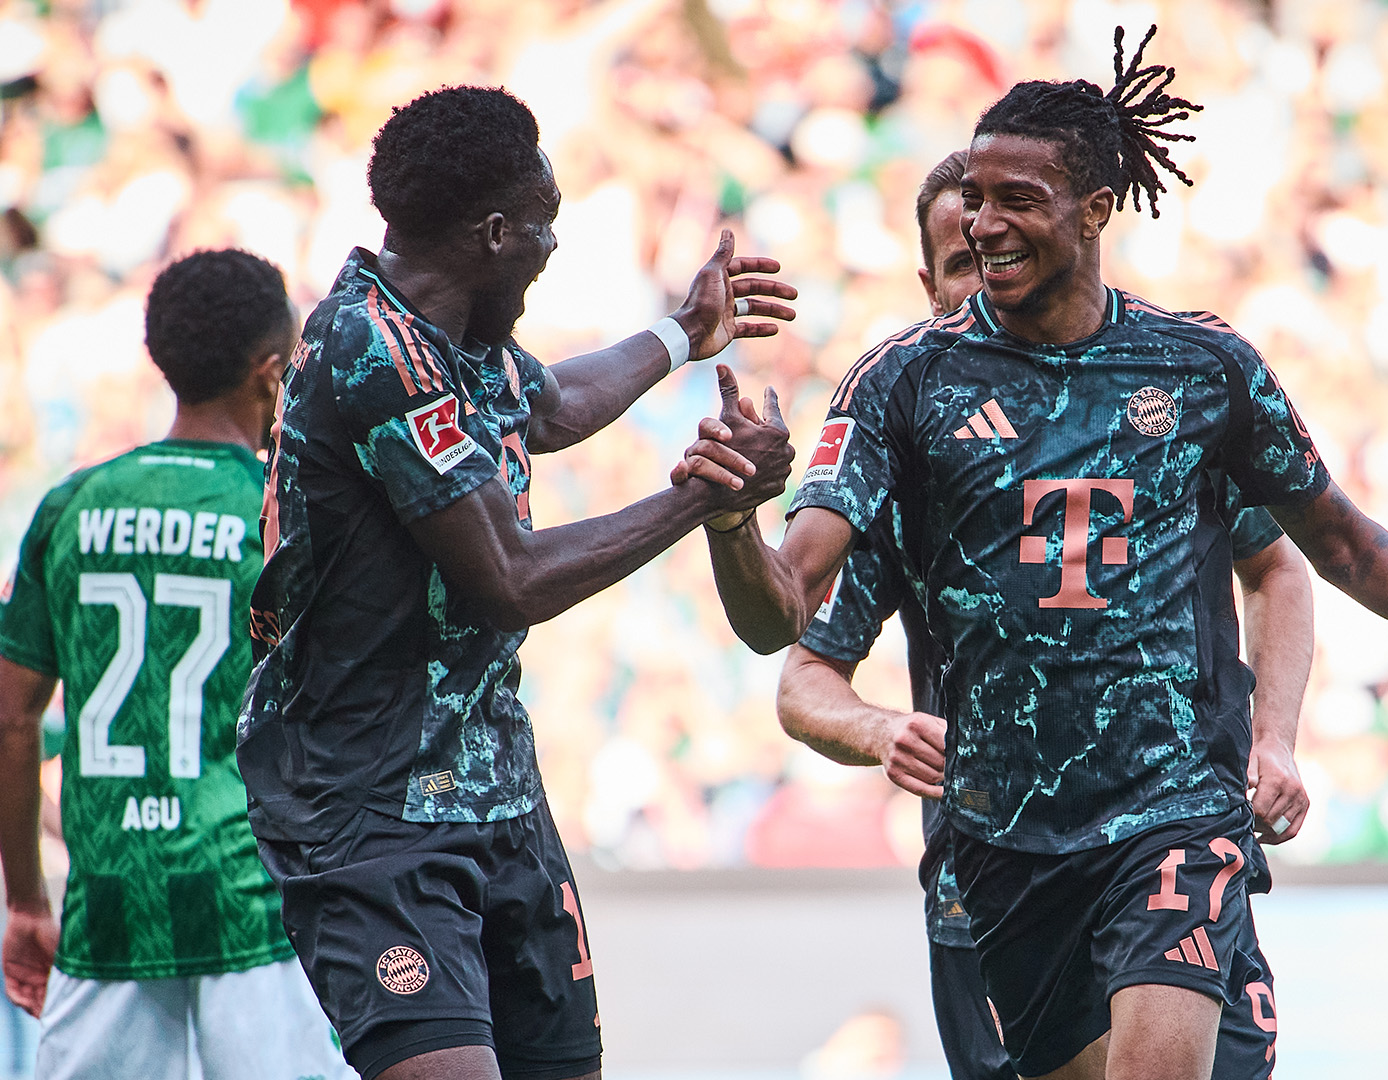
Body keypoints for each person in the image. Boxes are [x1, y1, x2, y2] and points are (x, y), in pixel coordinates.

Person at [679, 27, 1388, 1080]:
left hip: (1171, 810)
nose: (987, 223)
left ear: (1095, 211)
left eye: (1017, 199)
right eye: (974, 203)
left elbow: (1333, 543)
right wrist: (733, 517)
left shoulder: (1202, 369)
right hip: (1004, 845)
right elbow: (782, 623)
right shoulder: (902, 388)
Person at [237, 86, 795, 1080]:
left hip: (496, 794)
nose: (552, 249)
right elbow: (510, 578)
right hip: (369, 809)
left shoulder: (455, 332)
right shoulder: (373, 349)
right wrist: (703, 495)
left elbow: (553, 404)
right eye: (545, 228)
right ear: (495, 234)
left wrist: (681, 333)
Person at [768, 152, 1312, 1080]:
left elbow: (1282, 568)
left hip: (1162, 835)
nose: (988, 279)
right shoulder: (905, 450)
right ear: (928, 281)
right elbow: (803, 677)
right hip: (993, 867)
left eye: (1001, 251)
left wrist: (1276, 737)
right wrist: (879, 729)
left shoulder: (1163, 393)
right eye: (962, 263)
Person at [0, 249, 351, 1080]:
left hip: (109, 904)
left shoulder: (72, 505)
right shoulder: (279, 511)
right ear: (273, 375)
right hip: (251, 905)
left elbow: (12, 718)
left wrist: (24, 896)